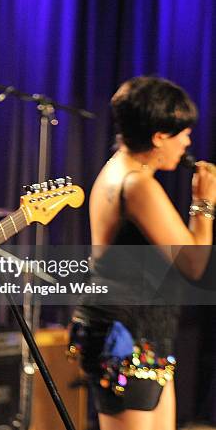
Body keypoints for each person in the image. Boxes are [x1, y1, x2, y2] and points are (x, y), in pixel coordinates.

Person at [69, 76, 216, 430]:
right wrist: (204, 203)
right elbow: (193, 262)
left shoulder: (119, 169)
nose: (188, 141)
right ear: (159, 137)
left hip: (139, 330)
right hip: (126, 334)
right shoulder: (137, 184)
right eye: (182, 132)